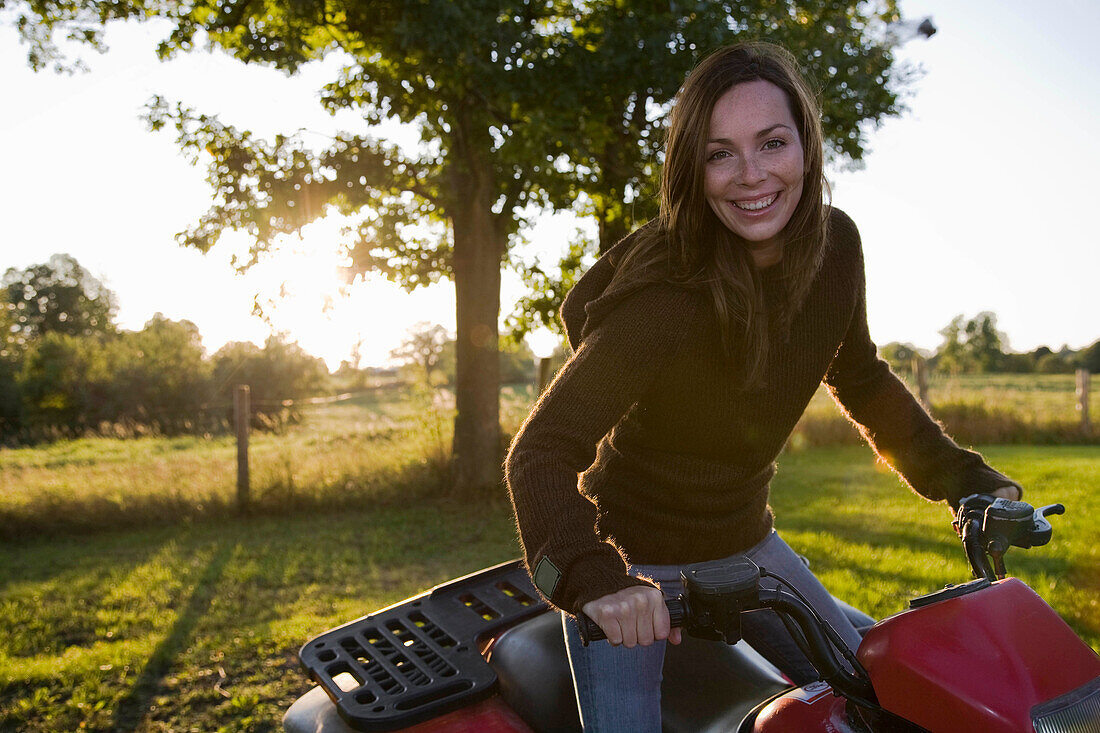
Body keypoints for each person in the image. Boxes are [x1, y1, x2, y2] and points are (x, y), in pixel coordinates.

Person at [504, 41, 1021, 733]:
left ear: (805, 145)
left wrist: (965, 478)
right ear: (694, 167)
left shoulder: (836, 249)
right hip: (636, 562)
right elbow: (539, 451)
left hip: (748, 546)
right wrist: (600, 581)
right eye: (719, 153)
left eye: (771, 143)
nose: (750, 176)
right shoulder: (665, 296)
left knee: (882, 697)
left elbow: (861, 376)